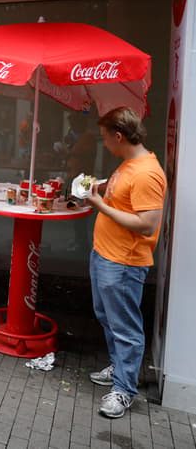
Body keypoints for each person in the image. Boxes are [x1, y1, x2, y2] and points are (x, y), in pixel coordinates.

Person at [86, 107, 166, 419]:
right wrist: (100, 187)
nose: (104, 144)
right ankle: (120, 368)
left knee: (125, 327)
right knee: (107, 317)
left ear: (118, 136)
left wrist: (100, 206)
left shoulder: (146, 173)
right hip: (106, 255)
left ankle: (124, 389)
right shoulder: (131, 164)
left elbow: (147, 224)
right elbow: (124, 193)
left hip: (122, 263)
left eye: (105, 138)